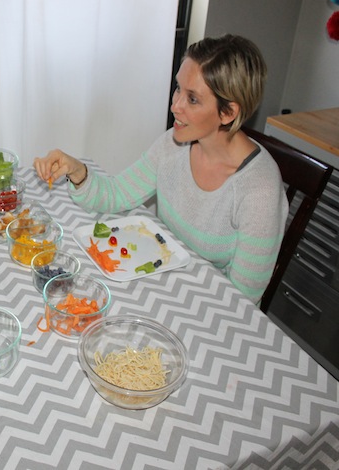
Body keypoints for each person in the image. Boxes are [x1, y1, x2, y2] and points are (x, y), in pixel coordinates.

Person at [34, 34, 288, 305]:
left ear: (228, 113)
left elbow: (242, 301)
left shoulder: (259, 190)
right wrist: (77, 171)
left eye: (192, 99)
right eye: (178, 89)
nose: (175, 105)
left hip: (210, 306)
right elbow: (117, 195)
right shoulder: (174, 144)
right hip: (164, 284)